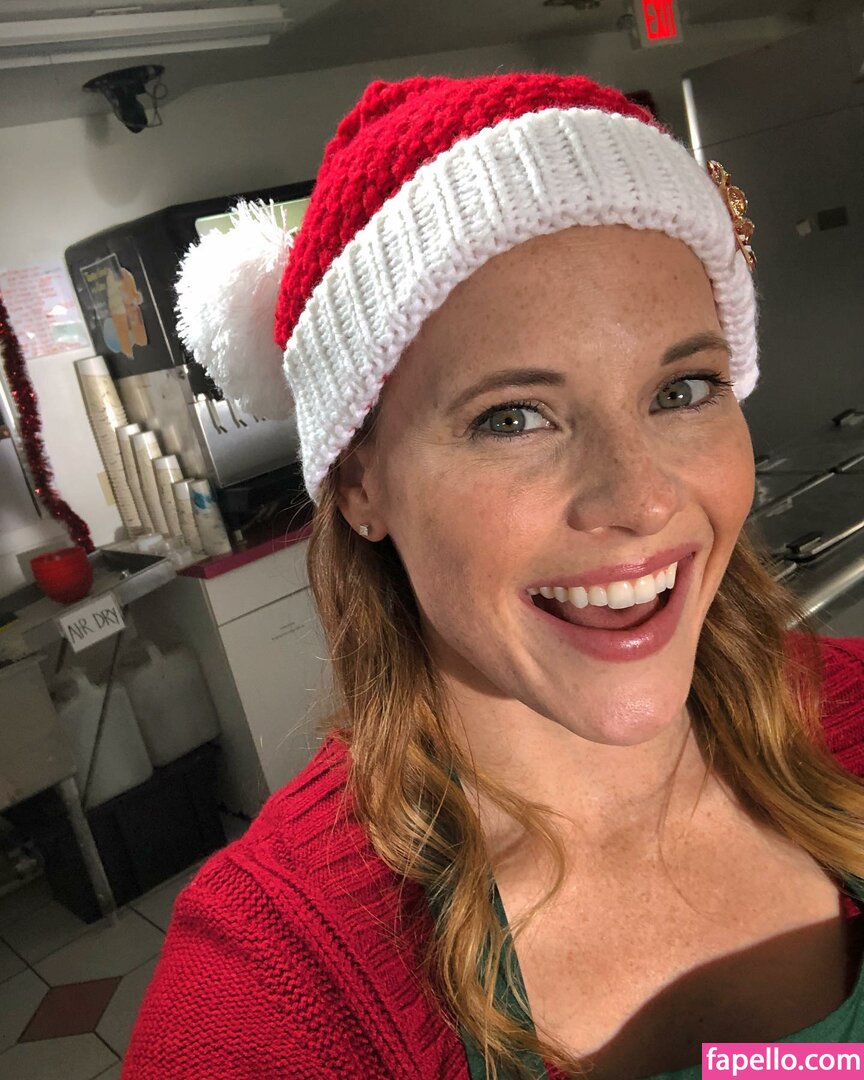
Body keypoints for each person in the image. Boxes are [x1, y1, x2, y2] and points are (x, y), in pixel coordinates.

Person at [122, 73, 864, 1080]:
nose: (641, 499)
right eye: (513, 417)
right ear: (361, 484)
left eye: (683, 389)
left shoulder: (849, 715)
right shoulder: (265, 994)